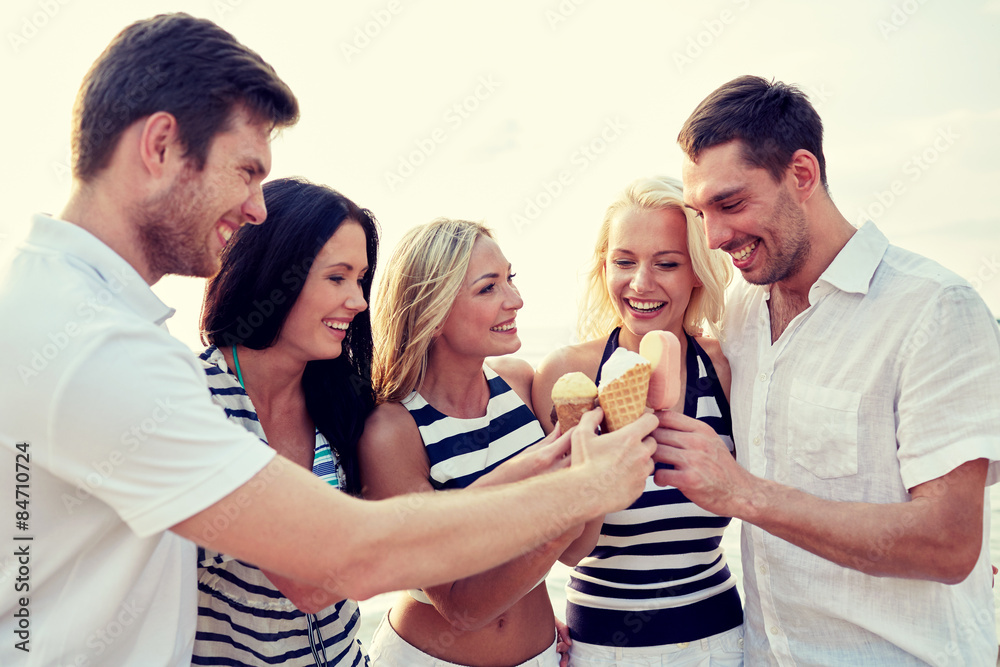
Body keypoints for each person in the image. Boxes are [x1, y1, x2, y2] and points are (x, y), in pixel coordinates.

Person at [0, 14, 659, 665]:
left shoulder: (89, 318)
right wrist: (585, 485)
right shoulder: (90, 345)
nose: (257, 208)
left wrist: (544, 469)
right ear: (162, 145)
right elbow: (337, 562)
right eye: (247, 170)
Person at [654, 74, 1000, 665]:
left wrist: (742, 493)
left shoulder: (935, 308)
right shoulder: (739, 311)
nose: (713, 237)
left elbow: (948, 544)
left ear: (803, 174)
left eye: (731, 204)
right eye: (701, 212)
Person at [359, 218, 607, 667]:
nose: (515, 300)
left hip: (546, 656)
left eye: (509, 279)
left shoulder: (518, 383)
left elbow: (575, 551)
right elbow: (461, 608)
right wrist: (573, 500)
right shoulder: (391, 432)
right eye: (488, 288)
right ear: (432, 314)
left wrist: (595, 458)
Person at [532, 176, 743, 666]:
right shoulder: (569, 374)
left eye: (666, 263)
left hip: (721, 642)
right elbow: (554, 546)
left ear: (697, 271)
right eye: (623, 262)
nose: (641, 283)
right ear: (603, 267)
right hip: (600, 647)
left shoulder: (725, 368)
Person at [194, 177, 377, 665]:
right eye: (337, 278)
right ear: (273, 272)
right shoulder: (195, 402)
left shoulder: (344, 399)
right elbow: (312, 582)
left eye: (360, 279)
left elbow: (414, 504)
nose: (358, 301)